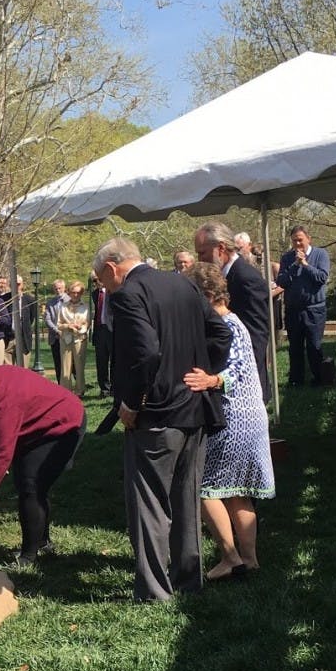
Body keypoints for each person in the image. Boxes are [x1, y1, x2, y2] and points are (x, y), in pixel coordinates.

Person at [93, 236, 230, 602]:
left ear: (111, 267)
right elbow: (220, 331)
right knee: (187, 500)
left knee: (150, 503)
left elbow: (146, 352)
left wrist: (133, 404)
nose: (103, 287)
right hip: (194, 408)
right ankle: (188, 580)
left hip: (155, 413)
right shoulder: (182, 282)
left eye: (100, 279)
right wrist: (204, 373)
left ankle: (154, 591)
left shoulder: (127, 294)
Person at [183, 264, 275, 581]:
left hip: (234, 417)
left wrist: (210, 380)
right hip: (252, 416)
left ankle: (230, 557)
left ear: (208, 296)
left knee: (206, 489)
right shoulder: (236, 322)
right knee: (240, 491)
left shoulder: (227, 325)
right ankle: (249, 560)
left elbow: (233, 372)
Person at [0, 365, 85, 566]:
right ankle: (42, 543)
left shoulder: (4, 403)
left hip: (62, 425)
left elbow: (2, 455)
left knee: (32, 484)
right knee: (26, 482)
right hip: (34, 428)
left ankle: (28, 557)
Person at [195, 220, 272, 402]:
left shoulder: (246, 279)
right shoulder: (225, 275)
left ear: (220, 249)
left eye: (202, 253)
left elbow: (256, 340)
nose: (199, 259)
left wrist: (229, 379)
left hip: (242, 387)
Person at [275, 225, 330, 387]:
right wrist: (295, 265)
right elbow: (281, 282)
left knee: (314, 345)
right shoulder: (287, 258)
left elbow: (322, 277)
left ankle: (319, 378)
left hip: (314, 309)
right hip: (293, 310)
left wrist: (305, 265)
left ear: (308, 239)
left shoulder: (321, 254)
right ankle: (296, 380)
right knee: (295, 347)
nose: (298, 244)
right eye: (294, 241)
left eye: (300, 240)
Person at [57, 281, 89, 397]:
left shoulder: (85, 307)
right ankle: (65, 391)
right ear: (69, 292)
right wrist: (67, 326)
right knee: (65, 367)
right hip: (66, 338)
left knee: (79, 366)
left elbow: (88, 323)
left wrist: (81, 327)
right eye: (73, 292)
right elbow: (58, 324)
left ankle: (80, 391)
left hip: (80, 339)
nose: (76, 295)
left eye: (79, 293)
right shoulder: (63, 306)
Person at [5, 275, 37, 366]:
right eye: (13, 284)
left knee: (22, 371)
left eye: (18, 284)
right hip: (8, 340)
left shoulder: (30, 300)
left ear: (22, 285)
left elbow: (31, 319)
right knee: (8, 370)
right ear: (10, 285)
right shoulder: (3, 300)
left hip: (23, 339)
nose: (16, 287)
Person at [89, 275, 112, 398]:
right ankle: (104, 389)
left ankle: (115, 388)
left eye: (99, 279)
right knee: (101, 362)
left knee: (114, 361)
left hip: (112, 331)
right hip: (99, 331)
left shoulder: (112, 292)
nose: (97, 282)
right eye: (94, 281)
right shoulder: (94, 295)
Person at [44, 279, 68, 382]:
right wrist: (56, 330)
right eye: (56, 288)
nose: (58, 290)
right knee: (58, 364)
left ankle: (76, 385)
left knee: (69, 364)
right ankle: (61, 385)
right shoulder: (50, 303)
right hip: (55, 337)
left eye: (60, 288)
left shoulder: (70, 301)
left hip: (68, 337)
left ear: (64, 288)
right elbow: (47, 319)